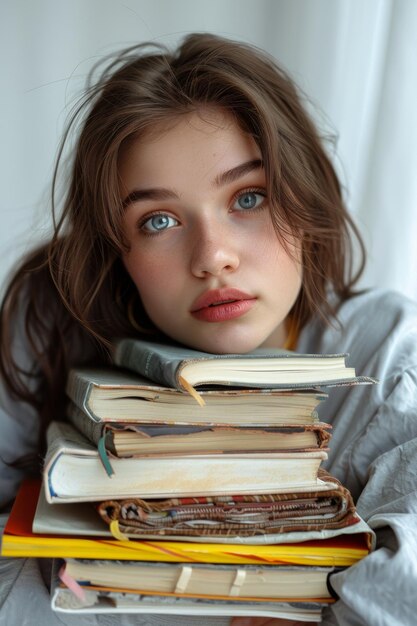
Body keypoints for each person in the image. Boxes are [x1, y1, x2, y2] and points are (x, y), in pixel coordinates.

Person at [0, 32, 416, 626]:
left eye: (249, 197)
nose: (213, 256)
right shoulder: (53, 322)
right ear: (117, 252)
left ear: (305, 195)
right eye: (159, 220)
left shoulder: (391, 354)